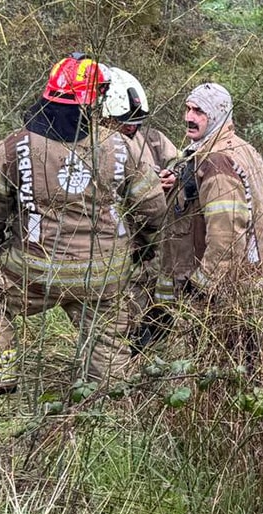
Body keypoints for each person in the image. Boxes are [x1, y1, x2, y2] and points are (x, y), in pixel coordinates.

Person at [0, 53, 169, 395]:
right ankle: (107, 391)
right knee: (107, 334)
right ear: (95, 101)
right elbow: (153, 209)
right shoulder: (122, 146)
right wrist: (142, 249)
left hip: (34, 270)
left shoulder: (15, 146)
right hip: (102, 273)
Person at [151, 82, 263, 359]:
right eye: (188, 108)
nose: (189, 117)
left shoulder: (218, 162)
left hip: (222, 295)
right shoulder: (238, 149)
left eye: (199, 111)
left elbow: (227, 237)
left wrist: (200, 289)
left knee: (221, 364)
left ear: (218, 115)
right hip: (245, 287)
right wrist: (180, 182)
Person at [98, 66, 180, 353]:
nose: (132, 127)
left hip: (148, 244)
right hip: (109, 247)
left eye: (137, 121)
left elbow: (177, 162)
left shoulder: (153, 139)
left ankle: (139, 351)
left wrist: (173, 176)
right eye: (124, 121)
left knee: (143, 295)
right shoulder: (90, 147)